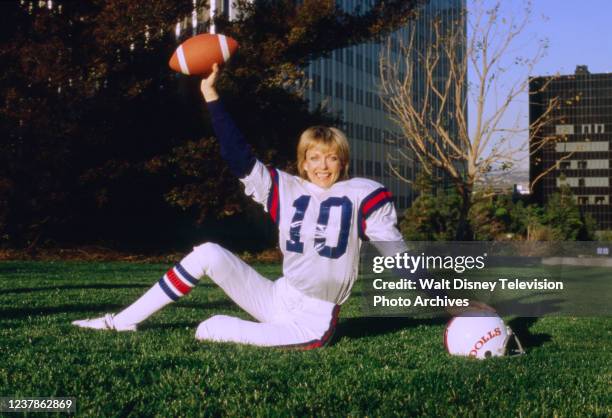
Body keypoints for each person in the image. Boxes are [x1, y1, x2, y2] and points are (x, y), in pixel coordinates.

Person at [72, 64, 406, 348]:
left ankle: (248, 330)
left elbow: (397, 253)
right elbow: (239, 157)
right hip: (278, 296)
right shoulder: (287, 188)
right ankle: (121, 321)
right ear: (302, 163)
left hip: (313, 318)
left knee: (209, 327)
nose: (323, 166)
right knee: (208, 253)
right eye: (314, 158)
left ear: (343, 162)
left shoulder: (363, 193)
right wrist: (211, 96)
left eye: (331, 158)